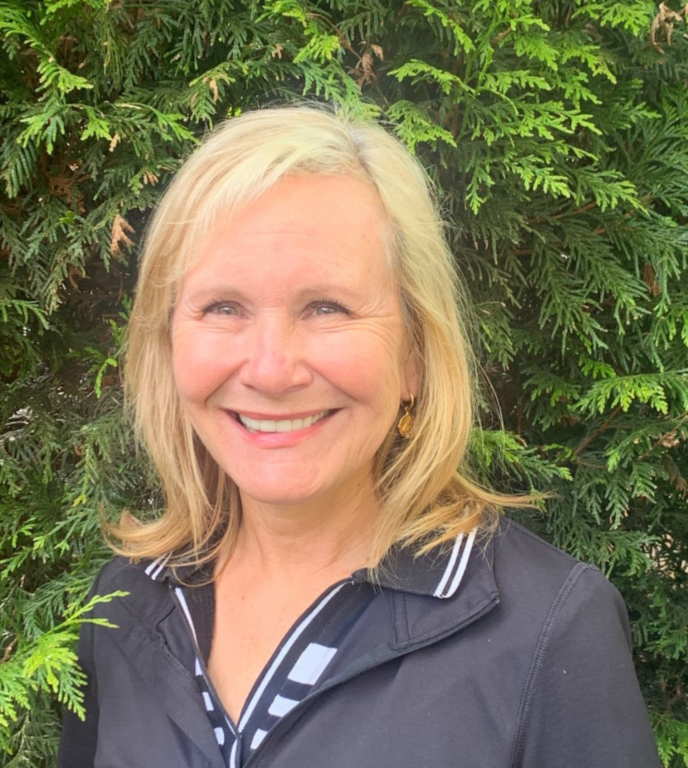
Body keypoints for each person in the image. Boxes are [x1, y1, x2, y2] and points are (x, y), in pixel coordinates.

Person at [58, 106, 661, 768]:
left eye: (327, 308)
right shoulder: (125, 605)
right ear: (168, 341)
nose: (270, 369)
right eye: (222, 307)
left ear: (415, 356)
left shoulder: (548, 631)